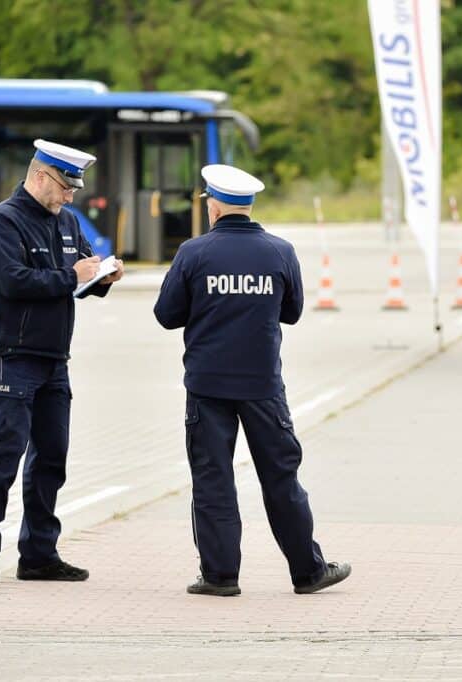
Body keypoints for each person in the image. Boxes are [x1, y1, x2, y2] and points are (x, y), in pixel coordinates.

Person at [153, 164, 350, 597]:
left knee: (213, 480)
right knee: (282, 479)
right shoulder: (280, 252)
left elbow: (166, 315)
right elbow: (292, 312)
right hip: (263, 387)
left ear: (216, 206)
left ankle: (221, 576)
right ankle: (308, 572)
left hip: (207, 388)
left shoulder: (192, 253)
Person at [0, 139, 125, 584]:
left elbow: (80, 276)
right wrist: (71, 276)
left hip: (55, 358)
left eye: (74, 186)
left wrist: (103, 277)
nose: (71, 195)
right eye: (65, 185)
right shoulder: (2, 222)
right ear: (39, 177)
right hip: (12, 356)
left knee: (52, 458)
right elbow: (15, 282)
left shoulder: (67, 221)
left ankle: (38, 554)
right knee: (5, 454)